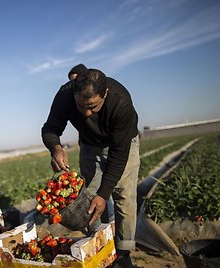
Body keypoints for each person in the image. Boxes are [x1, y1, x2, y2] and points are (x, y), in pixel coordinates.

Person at [41, 68, 140, 268]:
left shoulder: (121, 104)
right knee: (89, 196)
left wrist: (105, 193)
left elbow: (118, 156)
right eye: (80, 106)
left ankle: (123, 253)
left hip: (122, 144)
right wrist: (56, 148)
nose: (86, 113)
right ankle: (100, 246)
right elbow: (50, 128)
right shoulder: (65, 96)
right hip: (89, 145)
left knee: (124, 196)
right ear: (74, 94)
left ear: (105, 94)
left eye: (93, 107)